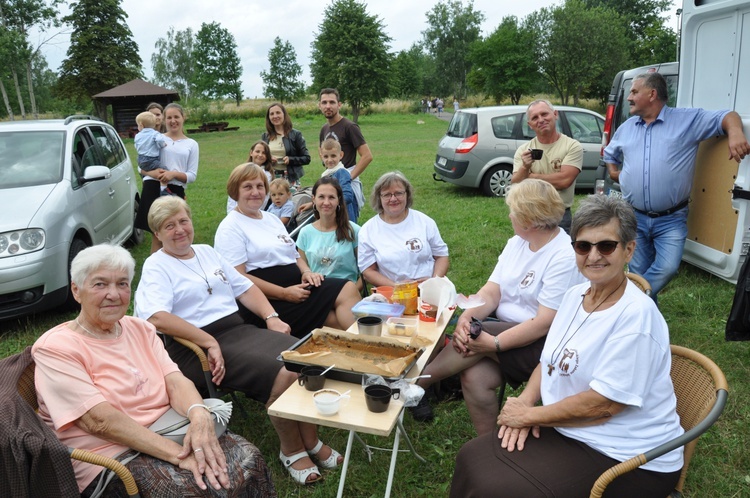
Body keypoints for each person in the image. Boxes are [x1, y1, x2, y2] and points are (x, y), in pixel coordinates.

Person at [450, 194, 685, 497]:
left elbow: (605, 405)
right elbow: (548, 360)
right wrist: (525, 400)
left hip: (627, 455)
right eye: (583, 245)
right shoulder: (575, 296)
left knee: (496, 487)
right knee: (472, 457)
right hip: (572, 427)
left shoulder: (636, 318)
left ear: (629, 250)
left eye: (606, 245)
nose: (594, 255)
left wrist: (530, 416)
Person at [32, 244, 277, 496]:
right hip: (110, 453)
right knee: (195, 489)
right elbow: (100, 421)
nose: (114, 294)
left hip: (170, 427)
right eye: (100, 285)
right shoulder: (56, 348)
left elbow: (175, 380)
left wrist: (199, 415)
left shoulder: (140, 328)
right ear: (76, 290)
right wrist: (179, 456)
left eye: (122, 284)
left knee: (250, 460)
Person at [135, 196, 342, 486]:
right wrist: (208, 341)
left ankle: (311, 439)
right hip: (192, 347)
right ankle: (292, 450)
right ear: (157, 234)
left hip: (237, 331)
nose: (179, 229)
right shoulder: (157, 266)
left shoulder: (206, 252)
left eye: (183, 221)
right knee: (285, 370)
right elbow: (157, 317)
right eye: (169, 226)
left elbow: (245, 287)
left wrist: (271, 316)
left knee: (302, 357)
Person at [411, 179, 584, 427]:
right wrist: (466, 317)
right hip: (502, 332)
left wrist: (493, 343)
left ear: (529, 220)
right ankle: (489, 444)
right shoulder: (517, 243)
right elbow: (491, 292)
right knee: (473, 376)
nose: (509, 215)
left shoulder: (563, 256)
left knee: (476, 333)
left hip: (544, 344)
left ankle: (416, 383)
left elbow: (544, 322)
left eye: (513, 211)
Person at [605, 72, 750, 301]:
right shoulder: (627, 127)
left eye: (634, 91)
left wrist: (735, 134)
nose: (629, 97)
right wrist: (615, 172)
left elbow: (728, 116)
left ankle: (627, 299)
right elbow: (610, 154)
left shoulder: (687, 120)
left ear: (652, 94)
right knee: (638, 270)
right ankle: (641, 323)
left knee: (668, 268)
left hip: (671, 219)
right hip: (635, 216)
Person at [214, 163, 361, 338]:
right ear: (235, 191)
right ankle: (371, 348)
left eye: (260, 186)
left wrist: (307, 271)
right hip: (268, 301)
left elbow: (294, 254)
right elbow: (238, 277)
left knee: (348, 288)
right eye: (248, 187)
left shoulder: (271, 219)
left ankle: (371, 345)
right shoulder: (230, 227)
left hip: (298, 288)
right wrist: (284, 294)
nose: (255, 192)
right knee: (333, 321)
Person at [358, 171, 449, 286]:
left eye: (398, 193)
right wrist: (396, 286)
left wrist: (433, 282)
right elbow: (368, 271)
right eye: (387, 194)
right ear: (379, 198)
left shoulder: (424, 221)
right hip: (392, 293)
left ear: (407, 194)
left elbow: (441, 256)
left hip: (428, 289)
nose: (393, 199)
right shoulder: (368, 230)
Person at [135, 102, 199, 254]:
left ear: (183, 117)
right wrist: (153, 174)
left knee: (177, 235)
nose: (173, 121)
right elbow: (140, 166)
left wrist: (173, 174)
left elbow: (192, 175)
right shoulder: (155, 137)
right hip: (153, 188)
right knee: (158, 236)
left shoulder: (191, 144)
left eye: (176, 117)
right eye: (169, 117)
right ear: (163, 120)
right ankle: (156, 272)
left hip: (174, 190)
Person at [511, 99, 583, 234]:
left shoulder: (572, 146)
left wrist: (530, 177)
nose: (541, 120)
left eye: (544, 114)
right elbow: (515, 185)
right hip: (530, 214)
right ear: (530, 124)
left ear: (555, 114)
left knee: (562, 254)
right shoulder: (523, 150)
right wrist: (524, 168)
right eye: (535, 118)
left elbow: (564, 181)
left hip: (560, 215)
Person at [297, 176, 360, 286]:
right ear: (313, 199)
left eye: (331, 197)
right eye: (321, 197)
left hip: (346, 291)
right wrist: (306, 272)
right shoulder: (305, 232)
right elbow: (301, 263)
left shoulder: (353, 230)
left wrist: (354, 290)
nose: (326, 202)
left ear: (338, 200)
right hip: (317, 291)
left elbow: (367, 270)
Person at [319, 88, 373, 210]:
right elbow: (321, 151)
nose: (328, 106)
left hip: (346, 184)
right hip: (330, 181)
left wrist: (347, 179)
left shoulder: (349, 127)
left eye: (332, 102)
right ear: (319, 106)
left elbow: (367, 156)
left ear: (339, 105)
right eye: (324, 102)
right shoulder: (324, 129)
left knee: (347, 224)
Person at [298, 138, 358, 223]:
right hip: (331, 218)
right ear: (321, 156)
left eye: (333, 156)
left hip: (343, 220)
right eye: (326, 156)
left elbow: (348, 196)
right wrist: (313, 204)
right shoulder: (327, 174)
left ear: (341, 155)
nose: (329, 160)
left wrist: (330, 203)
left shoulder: (342, 172)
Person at [261, 102, 311, 185]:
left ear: (284, 114)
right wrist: (268, 159)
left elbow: (306, 158)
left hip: (290, 178)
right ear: (268, 117)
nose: (275, 116)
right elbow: (260, 158)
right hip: (270, 177)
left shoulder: (295, 135)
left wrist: (291, 159)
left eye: (278, 113)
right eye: (272, 114)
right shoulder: (265, 136)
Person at [227, 141, 274, 214]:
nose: (260, 155)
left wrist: (253, 212)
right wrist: (231, 212)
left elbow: (264, 198)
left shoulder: (267, 175)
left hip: (252, 212)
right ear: (251, 153)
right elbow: (232, 195)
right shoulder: (242, 171)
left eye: (264, 153)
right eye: (257, 151)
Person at [134, 111, 168, 194]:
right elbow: (160, 140)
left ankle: (144, 178)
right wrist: (162, 145)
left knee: (145, 170)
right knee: (165, 171)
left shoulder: (138, 135)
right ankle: (163, 189)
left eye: (138, 125)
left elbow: (136, 145)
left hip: (140, 159)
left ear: (141, 125)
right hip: (151, 160)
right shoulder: (155, 134)